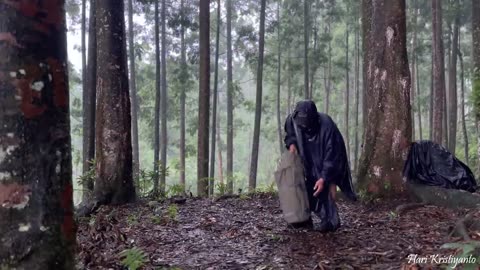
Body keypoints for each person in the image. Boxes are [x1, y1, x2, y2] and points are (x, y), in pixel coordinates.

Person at [284, 100, 356, 232]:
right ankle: (302, 219)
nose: (303, 127)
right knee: (301, 186)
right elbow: (291, 134)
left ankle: (329, 220)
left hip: (326, 158)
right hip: (307, 157)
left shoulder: (327, 126)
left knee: (325, 189)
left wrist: (324, 178)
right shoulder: (293, 120)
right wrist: (292, 145)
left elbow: (332, 157)